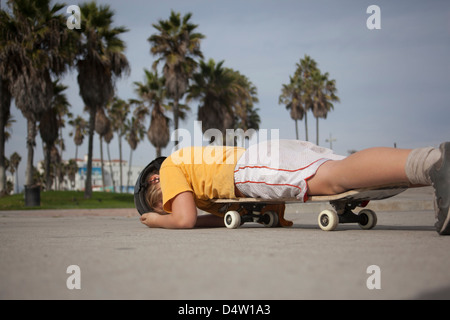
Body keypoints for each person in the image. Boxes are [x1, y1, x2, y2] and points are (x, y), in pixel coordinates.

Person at [135, 140, 450, 235]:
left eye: (167, 201)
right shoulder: (199, 184)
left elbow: (184, 220)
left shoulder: (168, 167)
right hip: (262, 159)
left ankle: (432, 163)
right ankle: (435, 173)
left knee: (335, 178)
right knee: (339, 175)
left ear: (155, 180)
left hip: (251, 169)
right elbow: (221, 217)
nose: (176, 205)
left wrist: (158, 219)